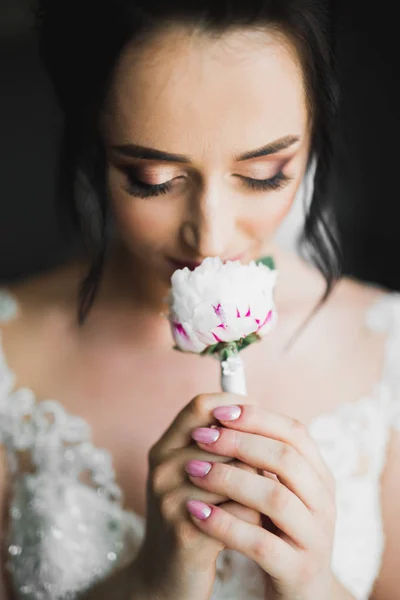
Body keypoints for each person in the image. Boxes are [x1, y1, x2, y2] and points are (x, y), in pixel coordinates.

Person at [0, 0, 399, 598]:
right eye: (153, 181)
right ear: (93, 140)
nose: (210, 237)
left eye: (265, 171)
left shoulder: (385, 347)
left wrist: (313, 584)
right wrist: (151, 585)